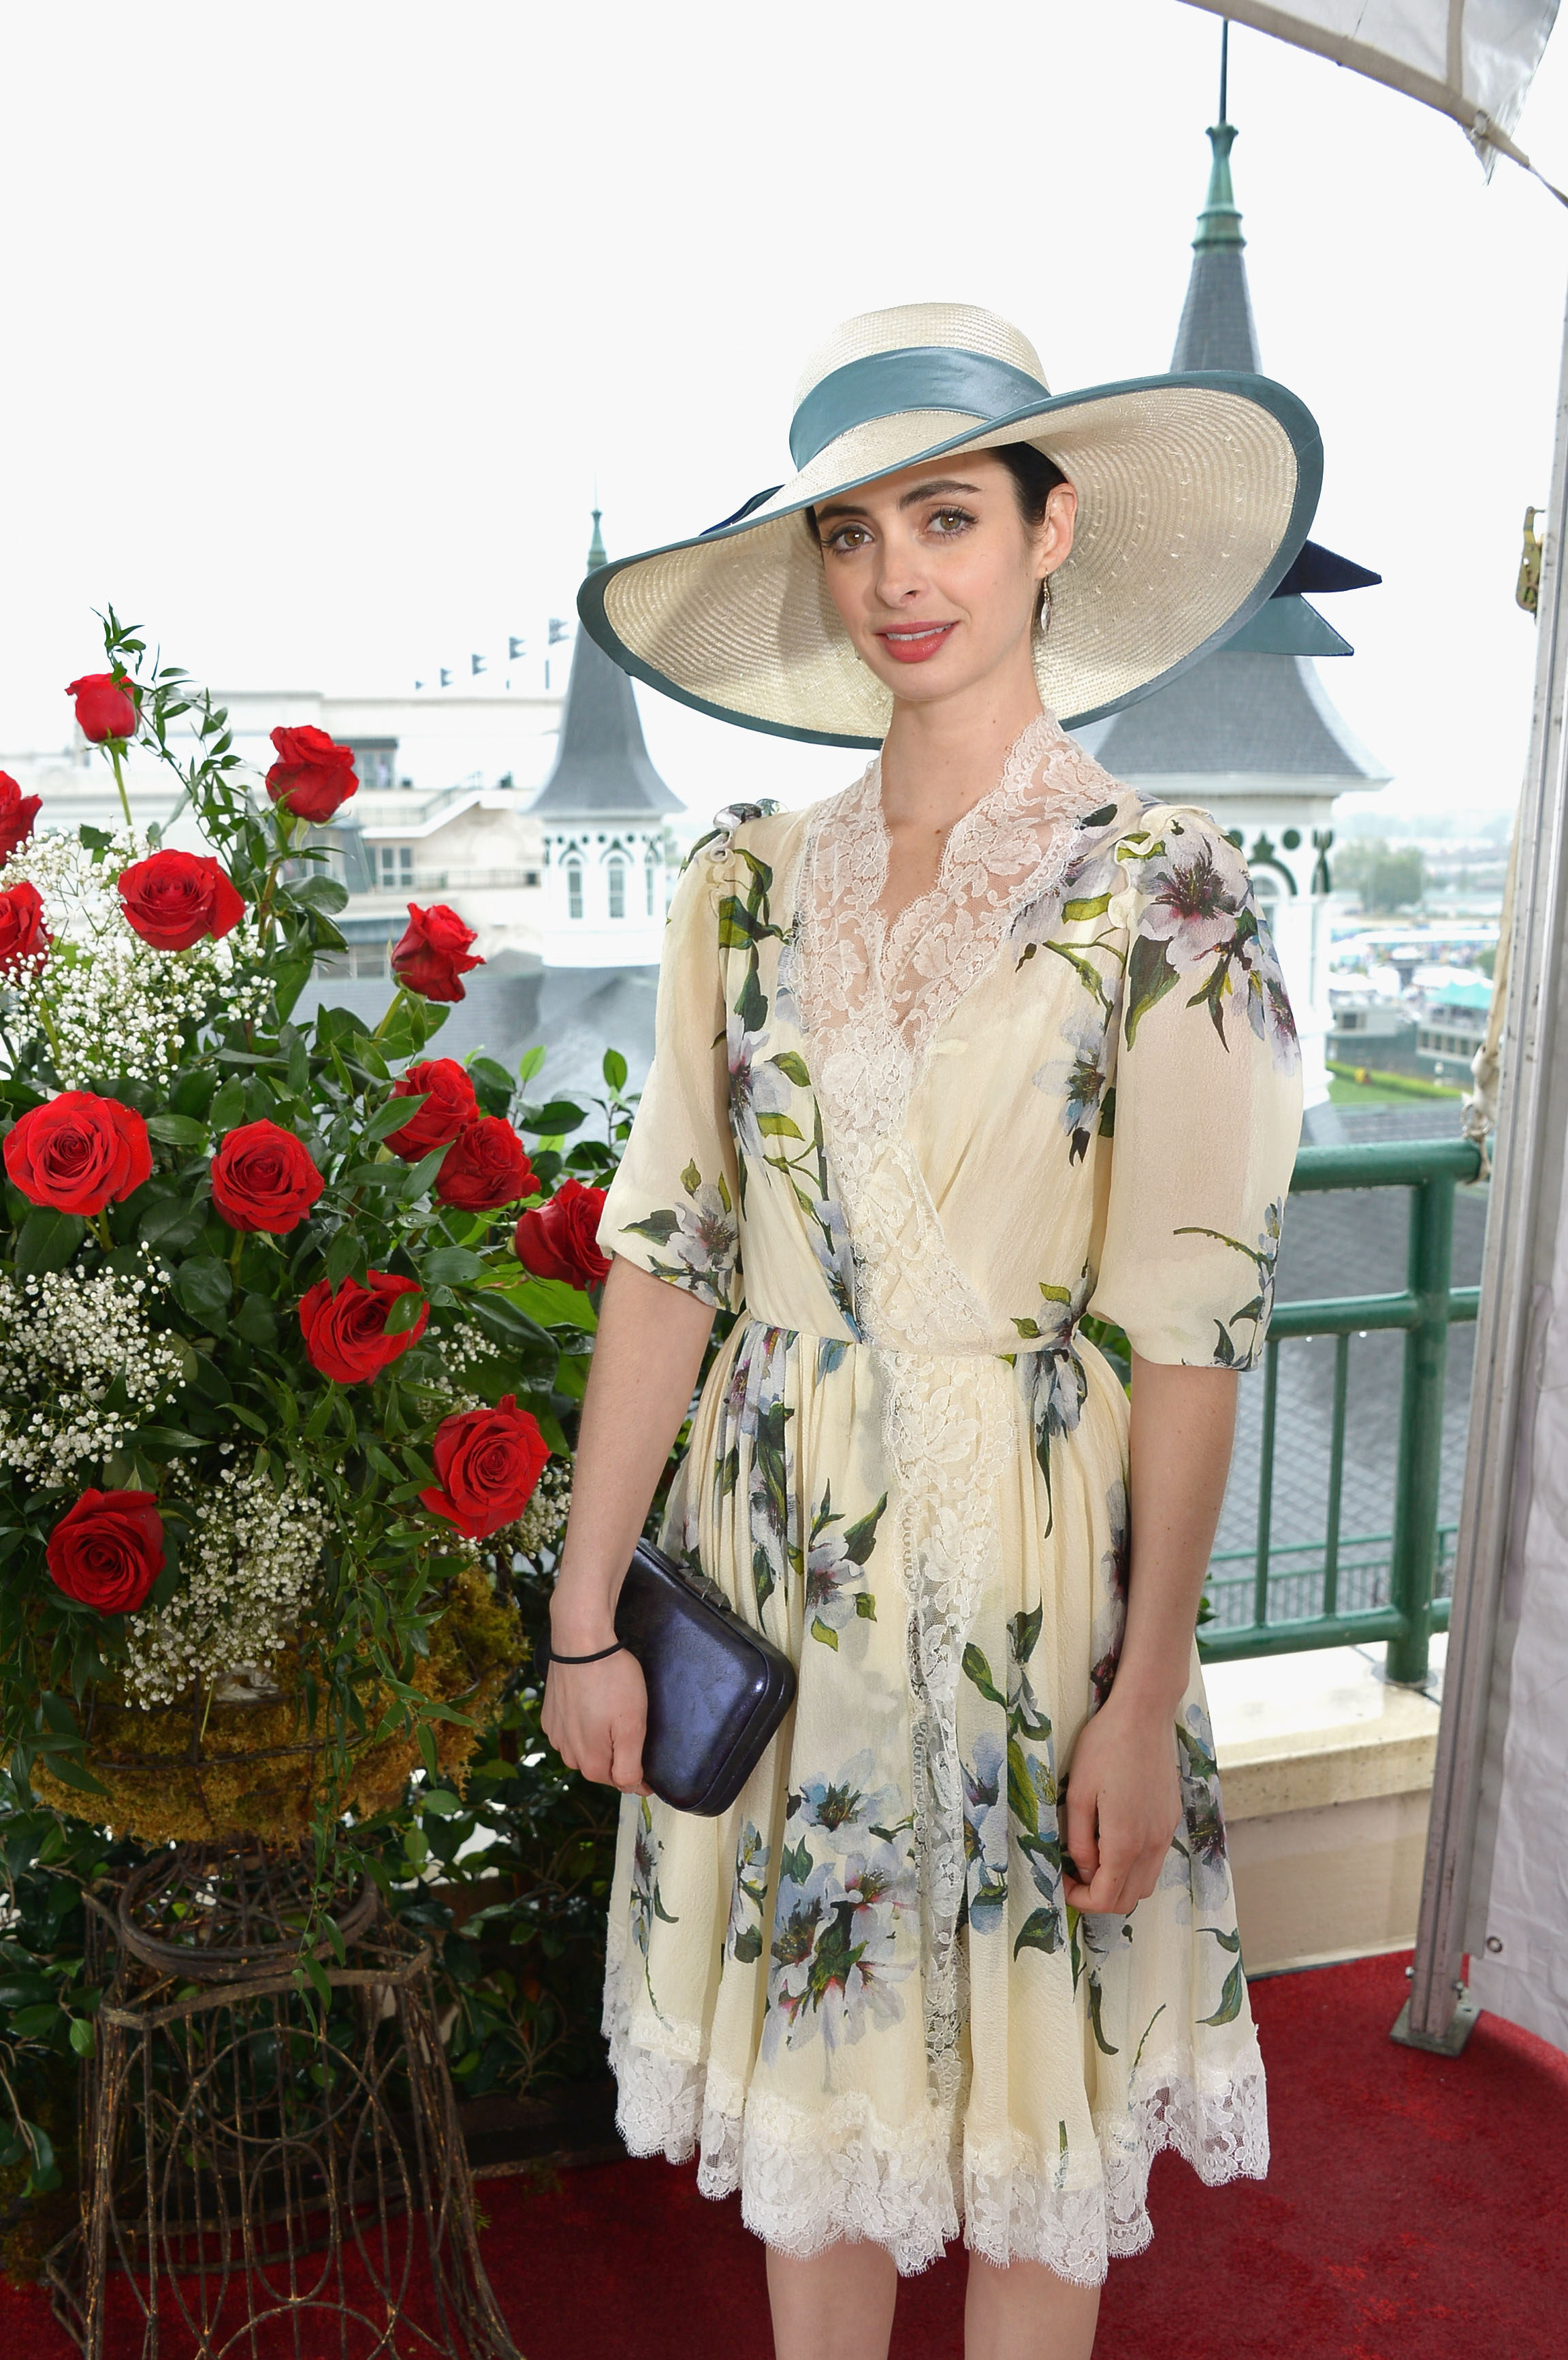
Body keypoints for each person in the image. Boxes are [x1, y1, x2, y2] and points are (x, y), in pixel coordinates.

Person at [542, 304, 1308, 2360]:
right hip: (782, 1569)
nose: (900, 574)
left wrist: (1145, 1697)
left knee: (1030, 2121)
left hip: (1042, 1589)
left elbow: (1191, 1330)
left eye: (949, 515)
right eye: (856, 531)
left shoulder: (1176, 891)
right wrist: (585, 1613)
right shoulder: (735, 890)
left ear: (1051, 533)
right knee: (821, 2125)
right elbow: (665, 1257)